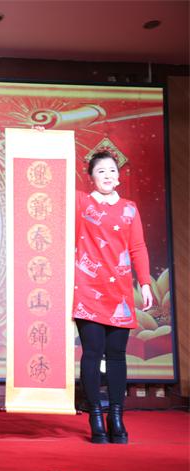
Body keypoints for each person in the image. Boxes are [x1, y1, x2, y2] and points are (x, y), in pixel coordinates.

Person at [73, 150, 152, 444]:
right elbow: (53, 179)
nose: (108, 175)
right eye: (101, 171)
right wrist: (41, 143)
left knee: (117, 355)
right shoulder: (81, 202)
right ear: (91, 177)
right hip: (87, 289)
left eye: (112, 170)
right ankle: (95, 415)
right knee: (92, 353)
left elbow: (138, 248)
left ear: (118, 176)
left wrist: (145, 283)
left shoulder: (129, 208)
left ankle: (116, 416)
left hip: (119, 291)